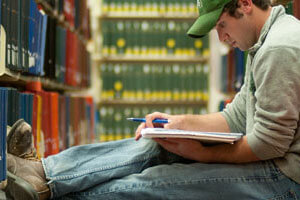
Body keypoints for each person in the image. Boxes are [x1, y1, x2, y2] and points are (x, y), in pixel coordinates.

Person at [4, 0, 300, 199]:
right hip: (271, 161)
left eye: (221, 25)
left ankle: (44, 193)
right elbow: (237, 117)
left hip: (286, 180)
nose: (222, 37)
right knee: (153, 143)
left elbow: (267, 144)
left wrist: (201, 153)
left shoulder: (279, 48)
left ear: (245, 3)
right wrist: (176, 124)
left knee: (151, 184)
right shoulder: (263, 43)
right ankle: (42, 174)